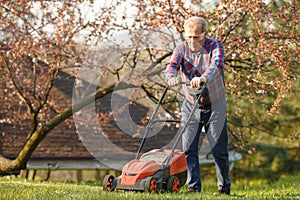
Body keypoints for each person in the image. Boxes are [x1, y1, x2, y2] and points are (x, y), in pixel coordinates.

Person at [165, 16, 231, 195]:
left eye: (196, 37)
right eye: (189, 37)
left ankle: (223, 188)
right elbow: (172, 66)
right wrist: (171, 77)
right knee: (189, 148)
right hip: (191, 104)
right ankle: (194, 187)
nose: (192, 41)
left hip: (215, 104)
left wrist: (203, 78)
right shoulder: (181, 48)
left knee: (218, 149)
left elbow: (216, 65)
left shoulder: (215, 45)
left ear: (205, 34)